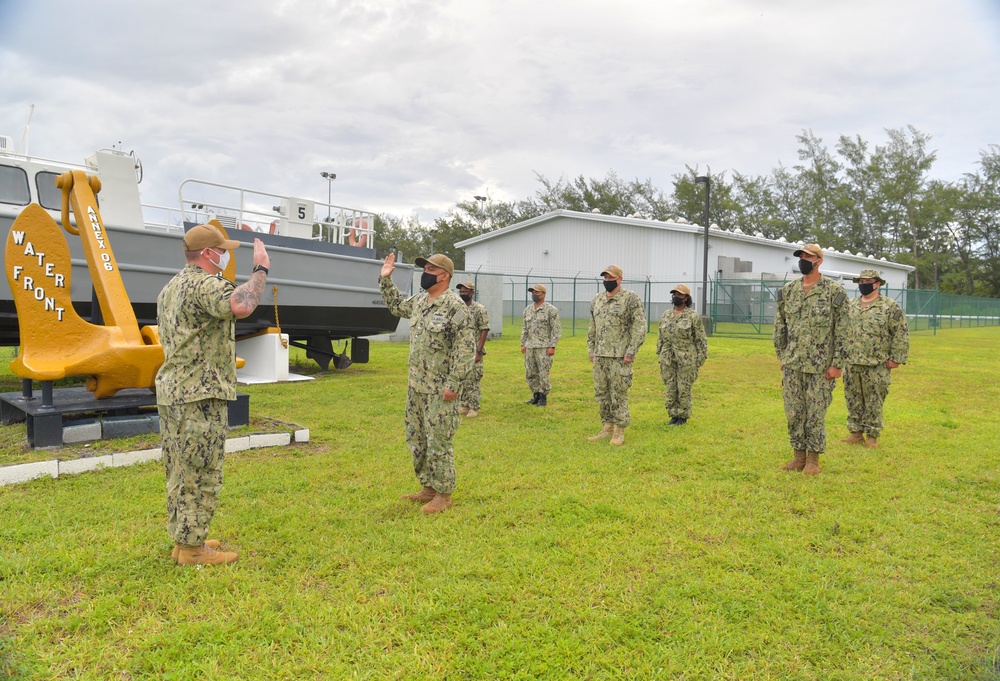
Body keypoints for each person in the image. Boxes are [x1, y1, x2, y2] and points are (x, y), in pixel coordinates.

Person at [157, 223, 269, 566]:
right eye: (222, 249)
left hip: (174, 391)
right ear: (208, 253)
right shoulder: (206, 284)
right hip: (199, 394)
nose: (226, 255)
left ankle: (185, 537)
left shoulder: (171, 287)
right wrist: (261, 269)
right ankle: (193, 551)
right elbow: (240, 305)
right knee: (202, 471)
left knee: (179, 469)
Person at [379, 253, 475, 514]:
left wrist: (453, 384)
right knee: (417, 438)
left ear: (444, 275)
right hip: (417, 386)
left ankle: (444, 495)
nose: (426, 272)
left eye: (431, 269)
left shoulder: (455, 307)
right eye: (425, 268)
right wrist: (386, 280)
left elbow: (466, 350)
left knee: (439, 441)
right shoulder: (421, 301)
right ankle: (428, 487)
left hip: (440, 389)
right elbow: (397, 307)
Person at [773, 243, 848, 475]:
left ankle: (813, 461)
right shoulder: (788, 291)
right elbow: (780, 326)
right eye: (801, 256)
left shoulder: (834, 291)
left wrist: (837, 364)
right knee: (794, 411)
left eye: (808, 256)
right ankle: (798, 456)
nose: (803, 259)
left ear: (819, 261)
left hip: (820, 366)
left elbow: (844, 330)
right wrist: (782, 355)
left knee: (815, 413)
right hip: (793, 364)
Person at [841, 269, 909, 448]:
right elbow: (841, 330)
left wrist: (896, 358)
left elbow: (900, 333)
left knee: (874, 400)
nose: (864, 285)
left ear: (877, 283)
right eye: (861, 282)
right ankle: (855, 432)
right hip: (852, 361)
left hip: (876, 363)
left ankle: (872, 436)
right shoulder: (851, 305)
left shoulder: (889, 306)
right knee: (852, 398)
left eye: (868, 281)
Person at [587, 265, 647, 446]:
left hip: (620, 356)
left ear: (620, 279)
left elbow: (640, 326)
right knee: (602, 393)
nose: (607, 281)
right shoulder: (597, 299)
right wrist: (591, 349)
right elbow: (592, 327)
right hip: (600, 356)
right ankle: (606, 428)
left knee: (618, 393)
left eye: (610, 278)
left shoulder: (630, 299)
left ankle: (619, 431)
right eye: (605, 278)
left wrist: (631, 350)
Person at [656, 284, 708, 426]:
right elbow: (660, 337)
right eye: (674, 295)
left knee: (684, 387)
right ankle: (673, 414)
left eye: (679, 295)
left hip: (686, 358)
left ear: (686, 298)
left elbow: (701, 339)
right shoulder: (666, 315)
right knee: (671, 387)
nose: (676, 297)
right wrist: (659, 353)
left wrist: (699, 360)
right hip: (667, 358)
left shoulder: (692, 316)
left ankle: (682, 416)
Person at [521, 284, 561, 406]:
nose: (534, 295)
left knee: (543, 373)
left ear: (543, 294)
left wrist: (552, 346)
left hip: (544, 347)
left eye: (537, 292)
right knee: (531, 372)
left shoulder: (551, 310)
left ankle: (543, 396)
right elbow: (525, 328)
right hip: (530, 346)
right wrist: (523, 343)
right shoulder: (528, 310)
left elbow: (556, 329)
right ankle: (536, 395)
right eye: (533, 292)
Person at [456, 281, 490, 418]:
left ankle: (473, 407)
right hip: (460, 350)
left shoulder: (479, 309)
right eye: (461, 291)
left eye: (466, 291)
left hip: (474, 349)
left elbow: (484, 329)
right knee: (462, 378)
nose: (463, 294)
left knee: (474, 378)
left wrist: (479, 351)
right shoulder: (459, 309)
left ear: (472, 293)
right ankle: (464, 405)